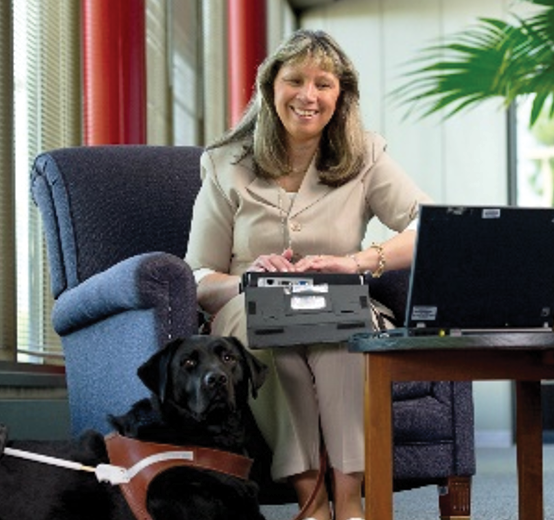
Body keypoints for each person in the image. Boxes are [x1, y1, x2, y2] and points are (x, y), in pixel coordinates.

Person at [184, 29, 431, 520]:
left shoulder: (366, 155)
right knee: (278, 348)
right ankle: (311, 502)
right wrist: (248, 279)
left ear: (341, 96)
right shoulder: (224, 164)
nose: (308, 95)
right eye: (294, 80)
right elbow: (198, 277)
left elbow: (433, 227)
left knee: (340, 335)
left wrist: (359, 262)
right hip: (246, 307)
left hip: (336, 302)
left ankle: (350, 499)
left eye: (324, 84)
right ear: (270, 87)